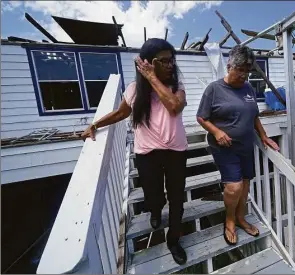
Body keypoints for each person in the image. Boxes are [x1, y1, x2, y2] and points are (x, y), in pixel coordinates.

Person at [81, 38, 188, 265]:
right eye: (164, 61)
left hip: (176, 151)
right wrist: (95, 124)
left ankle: (174, 239)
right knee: (153, 195)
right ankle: (157, 211)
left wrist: (152, 78)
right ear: (148, 63)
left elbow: (174, 106)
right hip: (147, 153)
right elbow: (120, 113)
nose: (171, 65)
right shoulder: (133, 89)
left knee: (177, 198)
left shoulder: (177, 87)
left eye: (172, 60)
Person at [196, 45, 279, 245]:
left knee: (245, 184)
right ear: (229, 66)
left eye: (247, 70)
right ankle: (230, 220)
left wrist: (264, 136)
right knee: (234, 186)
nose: (244, 75)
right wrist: (216, 131)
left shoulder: (248, 88)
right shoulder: (214, 89)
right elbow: (201, 117)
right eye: (240, 69)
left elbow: (254, 116)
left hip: (245, 146)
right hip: (224, 147)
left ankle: (241, 218)